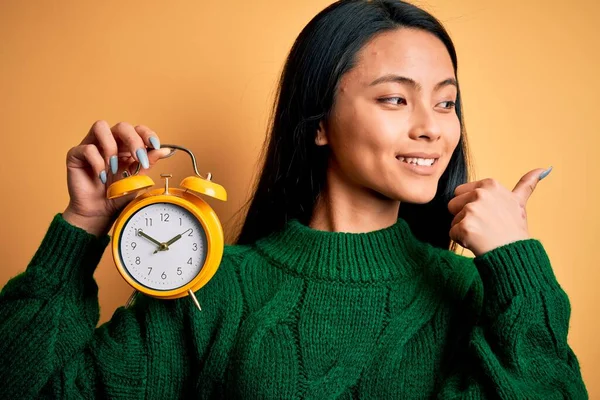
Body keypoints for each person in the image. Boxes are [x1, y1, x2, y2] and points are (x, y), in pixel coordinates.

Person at [0, 0, 588, 398]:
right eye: (394, 99)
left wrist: (517, 268)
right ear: (319, 123)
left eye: (445, 101)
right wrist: (81, 226)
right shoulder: (211, 291)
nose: (433, 128)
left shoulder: (473, 298)